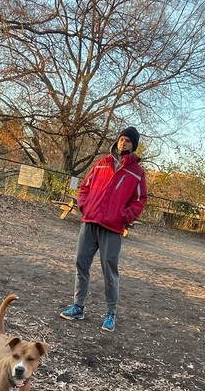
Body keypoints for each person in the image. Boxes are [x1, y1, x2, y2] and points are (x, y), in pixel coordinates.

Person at [60, 126, 147, 332]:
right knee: (81, 265)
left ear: (133, 145)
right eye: (121, 139)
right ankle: (78, 307)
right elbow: (85, 187)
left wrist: (123, 217)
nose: (123, 143)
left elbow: (139, 201)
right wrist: (84, 206)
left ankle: (110, 313)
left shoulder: (137, 173)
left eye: (127, 141)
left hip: (112, 228)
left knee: (110, 272)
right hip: (90, 222)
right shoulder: (102, 163)